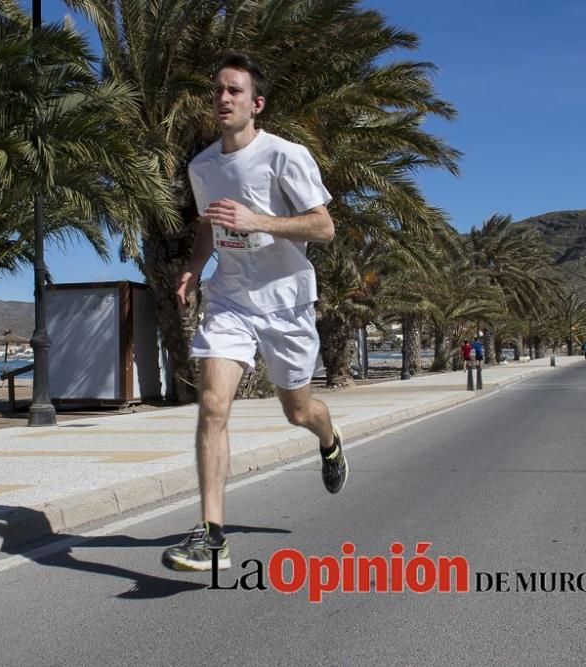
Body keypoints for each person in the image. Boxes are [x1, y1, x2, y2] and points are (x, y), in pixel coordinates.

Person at [162, 53, 342, 572]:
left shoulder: (286, 156)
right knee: (213, 405)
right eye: (217, 89)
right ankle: (212, 533)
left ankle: (329, 442)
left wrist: (258, 219)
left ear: (256, 103)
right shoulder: (202, 166)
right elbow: (206, 225)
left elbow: (323, 227)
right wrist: (195, 268)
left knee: (298, 411)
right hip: (231, 299)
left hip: (286, 302)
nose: (223, 98)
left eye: (234, 91)